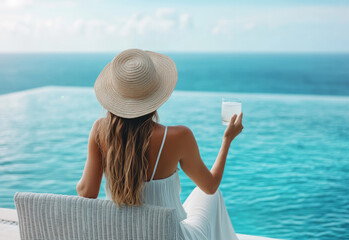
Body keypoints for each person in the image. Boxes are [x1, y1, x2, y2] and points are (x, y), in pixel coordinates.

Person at [76, 49, 244, 240]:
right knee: (212, 197)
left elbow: (86, 193)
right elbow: (210, 186)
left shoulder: (99, 131)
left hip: (121, 235)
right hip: (169, 236)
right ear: (155, 96)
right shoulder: (179, 136)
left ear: (115, 97)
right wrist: (227, 139)